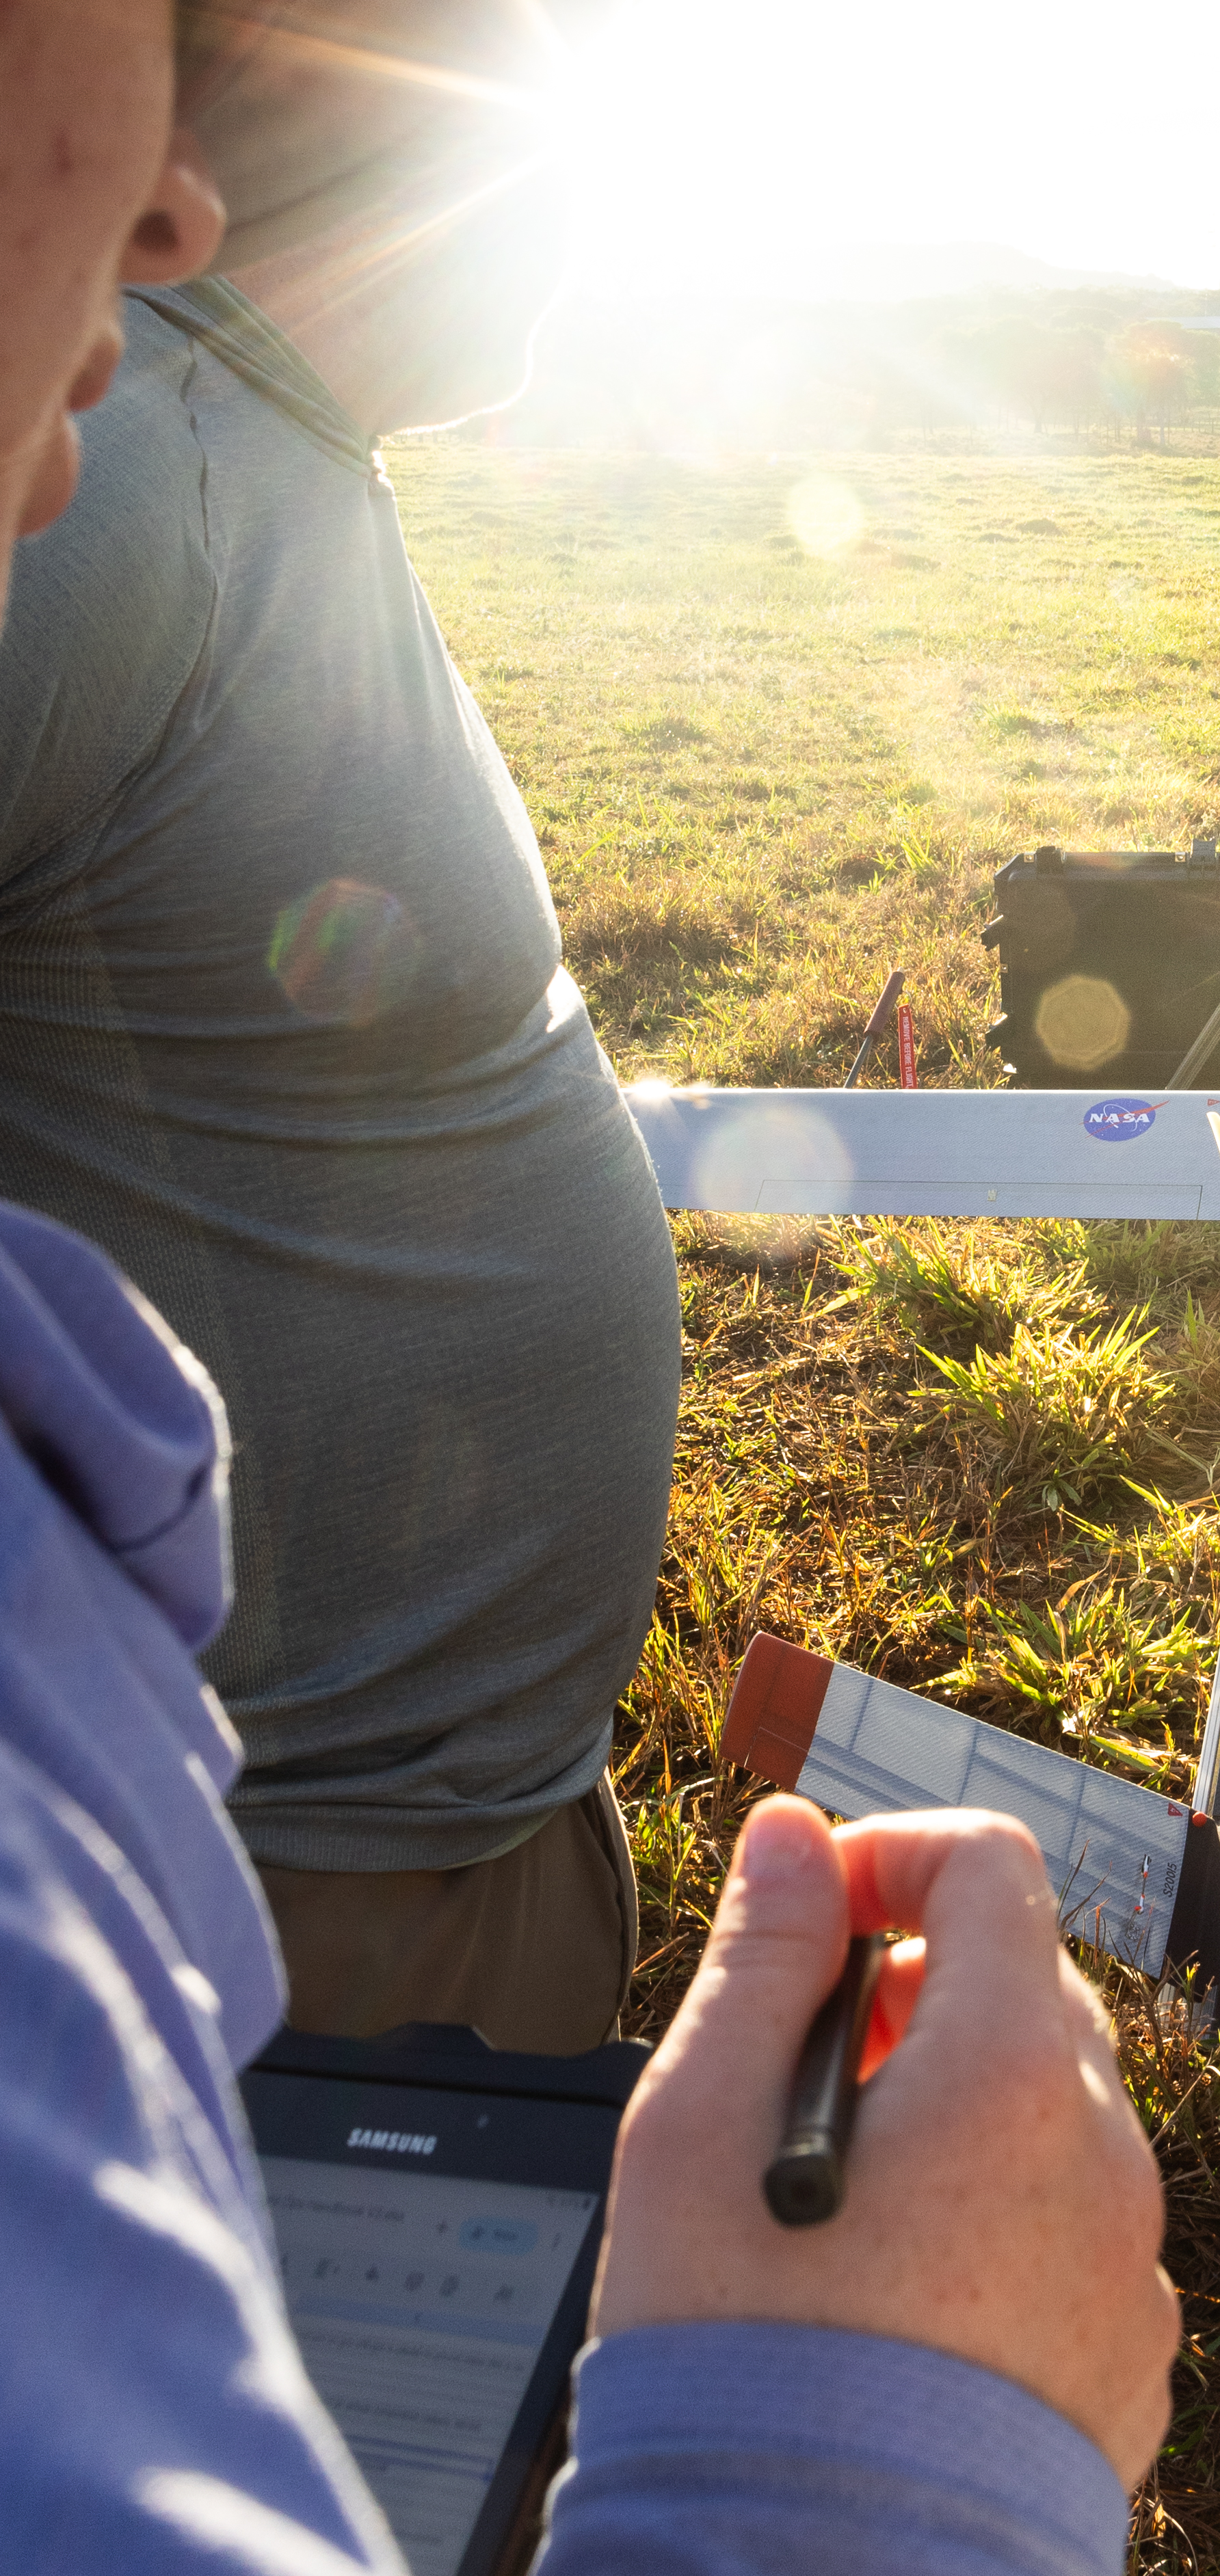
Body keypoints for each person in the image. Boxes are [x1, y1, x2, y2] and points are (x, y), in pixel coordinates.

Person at [0, 0, 1174, 2566]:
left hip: (360, 1823)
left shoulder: (236, 468)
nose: (181, 140)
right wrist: (854, 2468)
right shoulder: (158, 480)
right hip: (274, 1866)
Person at [0, 193, 684, 2055]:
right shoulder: (120, 463)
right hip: (255, 1892)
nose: (588, 216)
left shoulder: (270, 445)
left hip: (416, 1838)